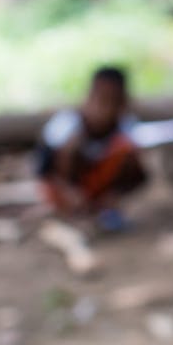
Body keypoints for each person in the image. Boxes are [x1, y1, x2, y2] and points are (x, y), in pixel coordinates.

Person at [36, 65, 146, 228]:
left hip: (98, 192)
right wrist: (69, 192)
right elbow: (43, 171)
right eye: (101, 99)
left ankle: (104, 210)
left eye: (113, 101)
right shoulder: (65, 124)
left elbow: (139, 175)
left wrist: (113, 195)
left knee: (126, 149)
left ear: (123, 102)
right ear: (89, 97)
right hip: (64, 191)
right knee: (71, 145)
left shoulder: (126, 128)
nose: (105, 109)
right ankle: (71, 212)